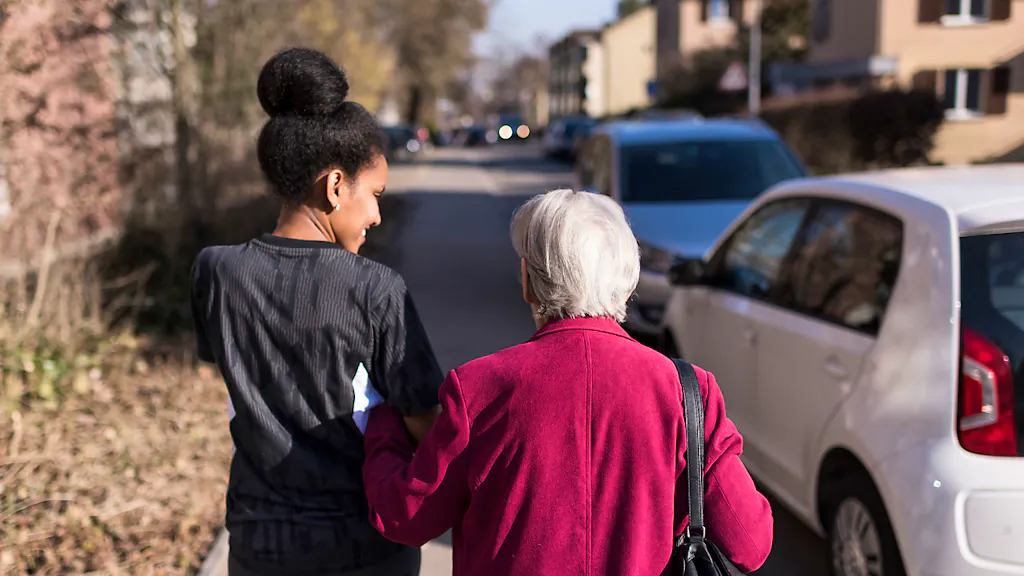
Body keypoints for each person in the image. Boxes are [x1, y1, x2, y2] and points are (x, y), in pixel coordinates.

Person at [362, 189, 774, 575]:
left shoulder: (479, 388)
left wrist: (382, 425)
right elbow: (750, 543)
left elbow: (404, 517)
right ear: (626, 278)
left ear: (527, 281)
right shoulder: (687, 393)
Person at [190, 48, 442, 576]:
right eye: (374, 194)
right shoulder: (376, 289)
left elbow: (242, 374)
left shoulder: (216, 272)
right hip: (362, 543)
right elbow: (426, 420)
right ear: (334, 187)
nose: (375, 213)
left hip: (259, 541)